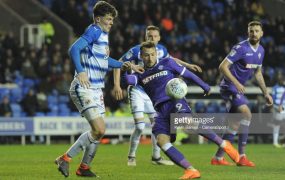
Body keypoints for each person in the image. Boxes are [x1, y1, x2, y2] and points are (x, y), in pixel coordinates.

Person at [125, 41, 239, 179]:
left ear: (156, 53)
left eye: (152, 54)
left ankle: (223, 144)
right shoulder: (140, 74)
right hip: (160, 110)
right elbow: (129, 81)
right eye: (146, 55)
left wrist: (204, 86)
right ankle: (191, 170)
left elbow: (188, 74)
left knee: (187, 122)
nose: (150, 58)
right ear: (141, 56)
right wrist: (127, 67)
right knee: (162, 141)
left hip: (175, 100)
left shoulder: (167, 62)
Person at [54, 1, 142, 178]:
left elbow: (103, 60)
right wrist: (80, 72)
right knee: (99, 130)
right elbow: (74, 49)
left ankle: (84, 168)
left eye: (112, 20)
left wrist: (124, 65)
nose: (111, 23)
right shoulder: (94, 30)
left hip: (96, 89)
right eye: (108, 19)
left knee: (99, 132)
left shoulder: (103, 35)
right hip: (84, 87)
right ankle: (65, 158)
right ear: (97, 19)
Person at [113, 25, 201, 166]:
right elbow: (119, 63)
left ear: (159, 38)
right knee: (140, 126)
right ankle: (131, 156)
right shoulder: (136, 50)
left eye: (154, 36)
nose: (152, 39)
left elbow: (172, 60)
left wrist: (188, 65)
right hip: (137, 89)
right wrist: (117, 85)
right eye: (149, 36)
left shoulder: (161, 50)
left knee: (157, 125)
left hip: (154, 92)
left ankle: (156, 157)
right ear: (145, 37)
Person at [211, 21, 273, 167]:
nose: (254, 33)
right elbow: (223, 66)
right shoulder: (240, 48)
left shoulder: (261, 51)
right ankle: (242, 157)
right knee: (247, 113)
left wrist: (265, 93)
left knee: (234, 124)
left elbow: (258, 73)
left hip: (236, 88)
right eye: (251, 31)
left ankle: (218, 158)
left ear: (262, 33)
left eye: (257, 31)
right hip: (229, 87)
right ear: (248, 32)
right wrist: (237, 83)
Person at [271, 74, 285, 148]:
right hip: (278, 107)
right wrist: (276, 106)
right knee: (277, 125)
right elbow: (273, 98)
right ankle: (275, 142)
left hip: (283, 107)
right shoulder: (275, 88)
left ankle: (282, 142)